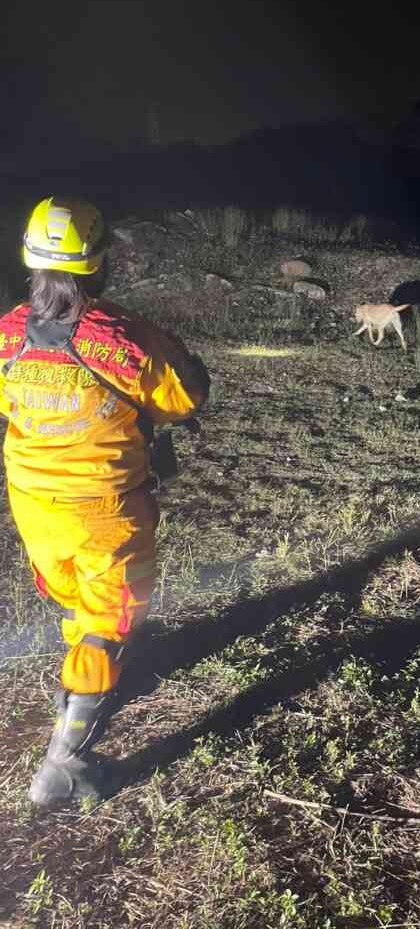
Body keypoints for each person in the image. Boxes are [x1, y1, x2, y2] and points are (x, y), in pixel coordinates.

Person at [0, 196, 210, 808]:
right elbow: (185, 397)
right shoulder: (124, 337)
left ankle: (75, 688)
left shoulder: (7, 334)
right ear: (100, 262)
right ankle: (65, 765)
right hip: (105, 510)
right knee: (106, 618)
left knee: (72, 595)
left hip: (33, 505)